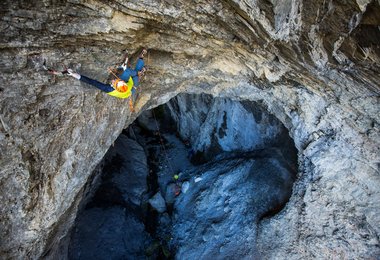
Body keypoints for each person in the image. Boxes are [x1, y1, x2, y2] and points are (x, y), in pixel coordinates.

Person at [67, 48, 147, 99]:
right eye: (116, 80)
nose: (114, 80)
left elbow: (91, 82)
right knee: (133, 74)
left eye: (114, 81)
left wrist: (73, 74)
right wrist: (133, 72)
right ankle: (140, 64)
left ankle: (139, 70)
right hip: (131, 90)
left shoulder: (108, 89)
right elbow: (128, 74)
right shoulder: (126, 84)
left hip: (128, 89)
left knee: (132, 73)